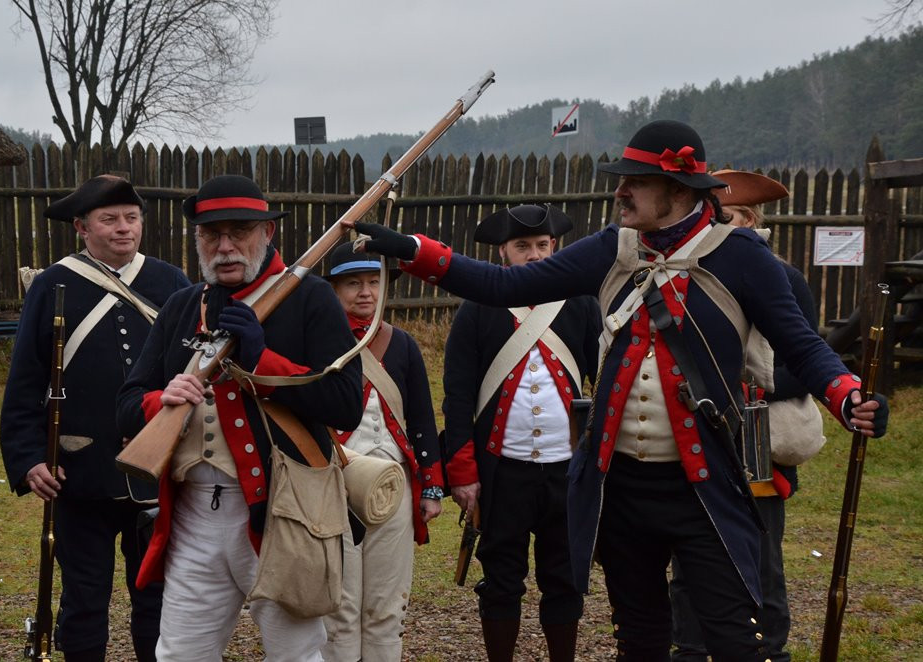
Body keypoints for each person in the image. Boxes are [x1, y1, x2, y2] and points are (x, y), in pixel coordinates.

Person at [349, 119, 890, 661]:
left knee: (733, 640)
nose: (620, 191)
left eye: (635, 182)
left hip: (704, 486)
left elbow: (800, 344)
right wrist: (412, 249)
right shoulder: (614, 249)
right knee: (639, 638)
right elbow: (504, 285)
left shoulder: (743, 256)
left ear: (677, 192)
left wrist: (847, 396)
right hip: (623, 488)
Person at [115, 174, 363, 662]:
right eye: (212, 234)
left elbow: (344, 402)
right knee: (180, 654)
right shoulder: (183, 306)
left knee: (295, 654)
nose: (225, 246)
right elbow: (128, 403)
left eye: (239, 231)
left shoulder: (309, 298)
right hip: (191, 516)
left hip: (284, 511)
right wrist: (162, 400)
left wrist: (262, 361)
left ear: (267, 232)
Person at [0, 175, 191, 662]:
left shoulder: (171, 283)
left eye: (131, 218)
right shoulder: (52, 285)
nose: (124, 228)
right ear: (82, 228)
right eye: (110, 219)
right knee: (84, 600)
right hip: (79, 470)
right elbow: (26, 380)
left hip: (159, 468)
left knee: (158, 595)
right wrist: (27, 459)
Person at [441, 205, 600, 662]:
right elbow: (457, 397)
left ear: (556, 247)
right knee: (501, 580)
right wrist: (464, 471)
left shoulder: (582, 303)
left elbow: (606, 379)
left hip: (565, 469)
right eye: (523, 247)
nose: (534, 256)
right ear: (503, 252)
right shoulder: (477, 307)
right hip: (502, 472)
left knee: (564, 577)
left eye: (543, 246)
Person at [669, 170, 816, 661]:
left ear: (749, 220)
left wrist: (743, 388)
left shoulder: (785, 279)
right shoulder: (688, 273)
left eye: (724, 218)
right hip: (700, 437)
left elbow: (805, 359)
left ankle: (768, 652)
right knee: (689, 560)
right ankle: (689, 650)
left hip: (759, 440)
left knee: (761, 561)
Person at [321, 241, 444, 662]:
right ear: (333, 290)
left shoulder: (403, 344)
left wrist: (430, 487)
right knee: (340, 603)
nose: (366, 292)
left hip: (394, 485)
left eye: (374, 282)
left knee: (387, 603)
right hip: (333, 481)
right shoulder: (316, 341)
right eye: (353, 283)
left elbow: (423, 420)